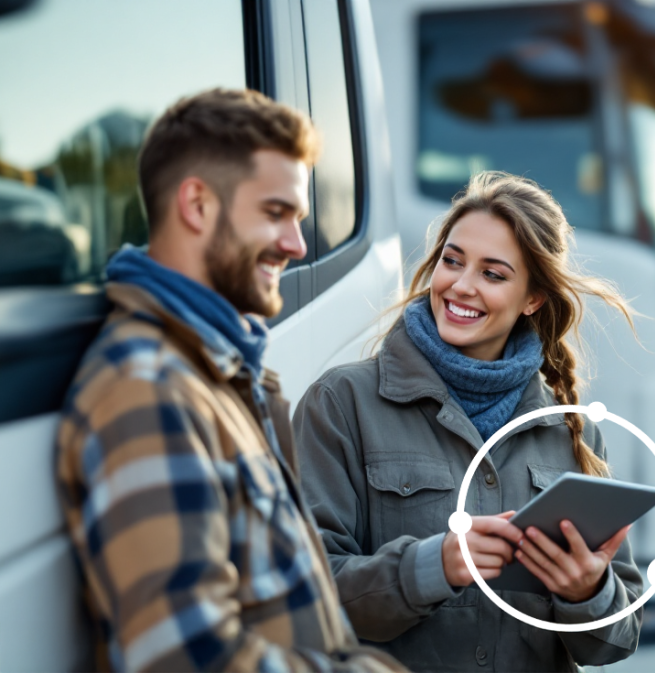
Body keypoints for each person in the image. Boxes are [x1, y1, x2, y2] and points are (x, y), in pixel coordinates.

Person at [56, 89, 408, 673]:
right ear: (197, 204)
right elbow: (185, 658)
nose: (297, 245)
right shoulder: (147, 390)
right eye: (276, 213)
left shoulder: (213, 374)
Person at [293, 171, 643, 672]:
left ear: (533, 299)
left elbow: (616, 642)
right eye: (451, 261)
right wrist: (434, 567)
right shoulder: (341, 403)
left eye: (493, 274)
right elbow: (303, 598)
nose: (461, 285)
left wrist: (588, 591)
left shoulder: (574, 432)